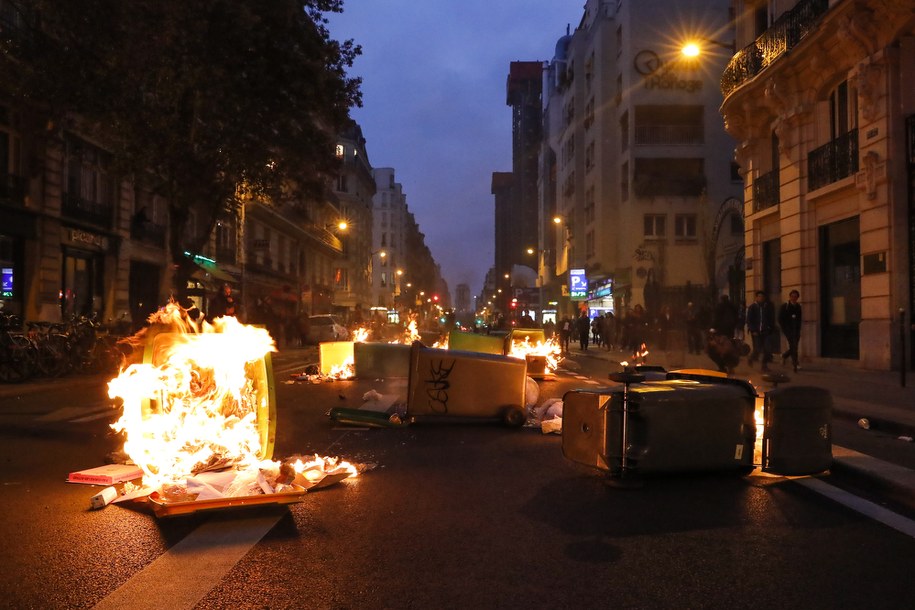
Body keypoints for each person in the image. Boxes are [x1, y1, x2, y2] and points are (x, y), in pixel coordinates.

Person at [746, 290, 776, 371]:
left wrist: (770, 328)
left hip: (766, 331)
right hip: (756, 332)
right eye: (759, 296)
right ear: (756, 298)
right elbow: (749, 320)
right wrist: (753, 330)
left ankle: (764, 365)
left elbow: (771, 318)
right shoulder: (752, 307)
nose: (761, 298)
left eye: (762, 297)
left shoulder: (767, 307)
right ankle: (751, 359)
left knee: (767, 349)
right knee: (757, 349)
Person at [779, 289, 802, 372]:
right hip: (788, 330)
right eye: (792, 296)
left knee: (794, 346)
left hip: (796, 330)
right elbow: (780, 319)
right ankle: (795, 364)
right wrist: (785, 329)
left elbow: (799, 319)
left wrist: (799, 329)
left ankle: (784, 355)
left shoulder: (798, 307)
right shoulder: (785, 306)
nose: (794, 298)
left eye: (795, 297)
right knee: (793, 346)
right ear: (790, 297)